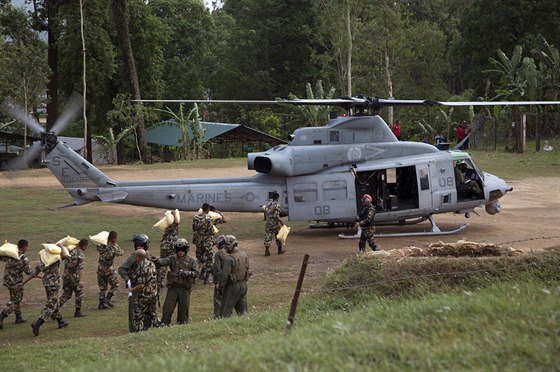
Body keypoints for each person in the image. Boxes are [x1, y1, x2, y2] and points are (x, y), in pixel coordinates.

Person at [22, 244, 70, 336]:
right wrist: (61, 247)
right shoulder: (54, 259)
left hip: (46, 284)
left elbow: (33, 274)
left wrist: (23, 283)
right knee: (51, 304)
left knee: (53, 301)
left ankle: (60, 321)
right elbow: (64, 256)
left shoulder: (42, 261)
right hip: (54, 284)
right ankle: (38, 323)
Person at [156, 238, 198, 326]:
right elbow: (162, 262)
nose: (180, 252)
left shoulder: (192, 261)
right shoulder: (172, 259)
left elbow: (197, 273)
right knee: (168, 307)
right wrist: (154, 260)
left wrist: (188, 273)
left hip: (185, 289)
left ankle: (182, 326)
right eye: (178, 250)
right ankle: (164, 324)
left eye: (182, 250)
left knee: (183, 310)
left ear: (186, 250)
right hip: (173, 288)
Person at [118, 233, 153, 332]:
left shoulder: (149, 255)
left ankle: (147, 328)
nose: (138, 247)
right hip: (136, 287)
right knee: (133, 310)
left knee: (148, 309)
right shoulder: (133, 257)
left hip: (148, 288)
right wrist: (127, 280)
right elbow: (121, 269)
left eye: (141, 245)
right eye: (137, 245)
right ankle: (134, 330)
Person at [0, 239, 32, 329]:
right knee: (16, 300)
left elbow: (1, 257)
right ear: (24, 247)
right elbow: (29, 272)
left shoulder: (11, 255)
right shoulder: (23, 258)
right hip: (16, 282)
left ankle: (18, 317)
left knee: (13, 298)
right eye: (27, 246)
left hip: (8, 281)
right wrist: (37, 272)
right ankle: (1, 316)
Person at [126, 248, 158, 332]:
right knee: (151, 314)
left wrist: (131, 289)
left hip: (144, 295)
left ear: (138, 257)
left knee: (138, 315)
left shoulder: (142, 268)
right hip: (153, 294)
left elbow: (141, 285)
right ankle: (153, 330)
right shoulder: (151, 264)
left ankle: (139, 332)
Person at [218, 235, 250, 318]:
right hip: (243, 284)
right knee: (243, 312)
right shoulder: (244, 255)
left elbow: (224, 276)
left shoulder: (229, 259)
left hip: (232, 286)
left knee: (225, 313)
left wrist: (220, 287)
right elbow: (247, 269)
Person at [58, 238, 88, 318]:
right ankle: (77, 312)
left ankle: (54, 308)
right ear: (84, 246)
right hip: (74, 277)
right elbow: (80, 268)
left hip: (66, 275)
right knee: (79, 293)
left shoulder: (69, 251)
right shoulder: (80, 255)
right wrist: (81, 280)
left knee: (66, 294)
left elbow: (63, 257)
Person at [97, 231, 124, 309]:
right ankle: (107, 299)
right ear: (113, 238)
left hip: (100, 268)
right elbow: (121, 253)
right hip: (108, 269)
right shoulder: (113, 247)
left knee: (102, 287)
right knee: (116, 284)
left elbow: (98, 248)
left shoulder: (102, 245)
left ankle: (101, 303)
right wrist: (116, 245)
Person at [192, 203, 216, 284]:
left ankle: (195, 275)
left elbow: (193, 228)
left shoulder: (196, 217)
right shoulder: (209, 218)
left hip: (198, 240)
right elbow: (211, 230)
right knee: (209, 258)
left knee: (199, 259)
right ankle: (206, 278)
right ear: (208, 209)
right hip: (207, 241)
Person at [158, 210, 180, 288]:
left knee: (163, 263)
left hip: (164, 246)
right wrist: (174, 214)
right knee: (173, 262)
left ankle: (159, 280)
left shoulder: (165, 226)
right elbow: (177, 222)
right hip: (171, 247)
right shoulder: (171, 225)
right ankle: (173, 279)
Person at [263, 192, 286, 256]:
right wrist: (281, 221)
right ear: (277, 198)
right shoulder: (277, 205)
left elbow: (266, 211)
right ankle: (280, 250)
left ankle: (267, 251)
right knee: (279, 236)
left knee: (268, 236)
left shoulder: (269, 204)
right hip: (275, 223)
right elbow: (276, 216)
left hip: (268, 223)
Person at [212, 235, 228, 319]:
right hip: (228, 281)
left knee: (218, 301)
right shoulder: (230, 252)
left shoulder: (219, 254)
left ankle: (217, 318)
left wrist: (217, 282)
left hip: (221, 281)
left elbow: (216, 269)